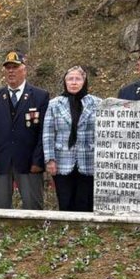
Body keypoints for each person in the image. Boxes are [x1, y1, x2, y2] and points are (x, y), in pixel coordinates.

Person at [0, 50, 50, 210]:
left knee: (34, 208)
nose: (11, 71)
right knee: (1, 209)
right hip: (1, 162)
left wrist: (38, 161)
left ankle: (35, 236)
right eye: (8, 68)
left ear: (24, 70)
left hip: (29, 163)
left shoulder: (40, 96)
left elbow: (44, 133)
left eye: (15, 67)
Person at [43, 66, 100, 212]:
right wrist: (50, 160)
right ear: (65, 82)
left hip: (88, 161)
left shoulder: (97, 104)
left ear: (84, 81)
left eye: (78, 79)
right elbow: (48, 133)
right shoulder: (54, 104)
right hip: (62, 162)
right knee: (65, 202)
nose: (74, 82)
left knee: (85, 203)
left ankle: (85, 233)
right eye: (70, 79)